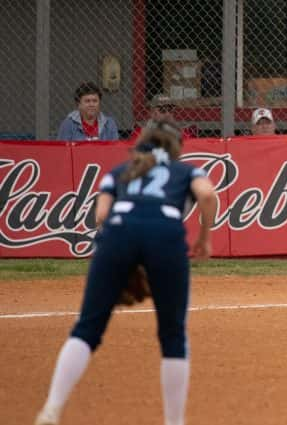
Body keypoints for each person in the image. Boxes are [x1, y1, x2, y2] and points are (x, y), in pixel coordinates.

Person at [34, 120, 218, 425]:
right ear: (175, 148)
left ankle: (51, 410)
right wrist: (204, 237)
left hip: (117, 232)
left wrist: (120, 256)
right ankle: (175, 422)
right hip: (166, 233)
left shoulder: (119, 172)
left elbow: (101, 215)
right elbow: (208, 195)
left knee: (87, 328)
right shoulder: (185, 170)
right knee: (173, 334)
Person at [129, 94, 198, 141]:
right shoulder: (140, 132)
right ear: (152, 113)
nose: (167, 114)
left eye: (170, 110)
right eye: (162, 110)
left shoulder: (184, 133)